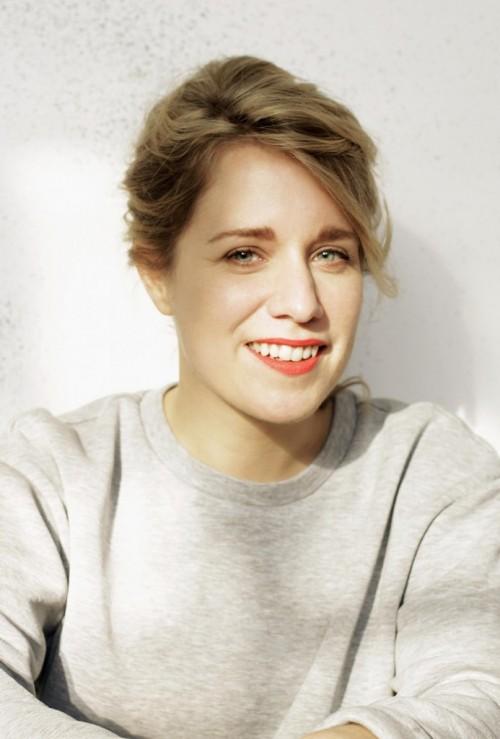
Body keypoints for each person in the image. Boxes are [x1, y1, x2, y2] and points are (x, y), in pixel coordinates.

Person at [0, 55, 499, 739]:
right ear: (158, 273)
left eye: (331, 253)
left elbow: (478, 693)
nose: (301, 302)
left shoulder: (433, 473)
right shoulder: (54, 473)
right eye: (245, 254)